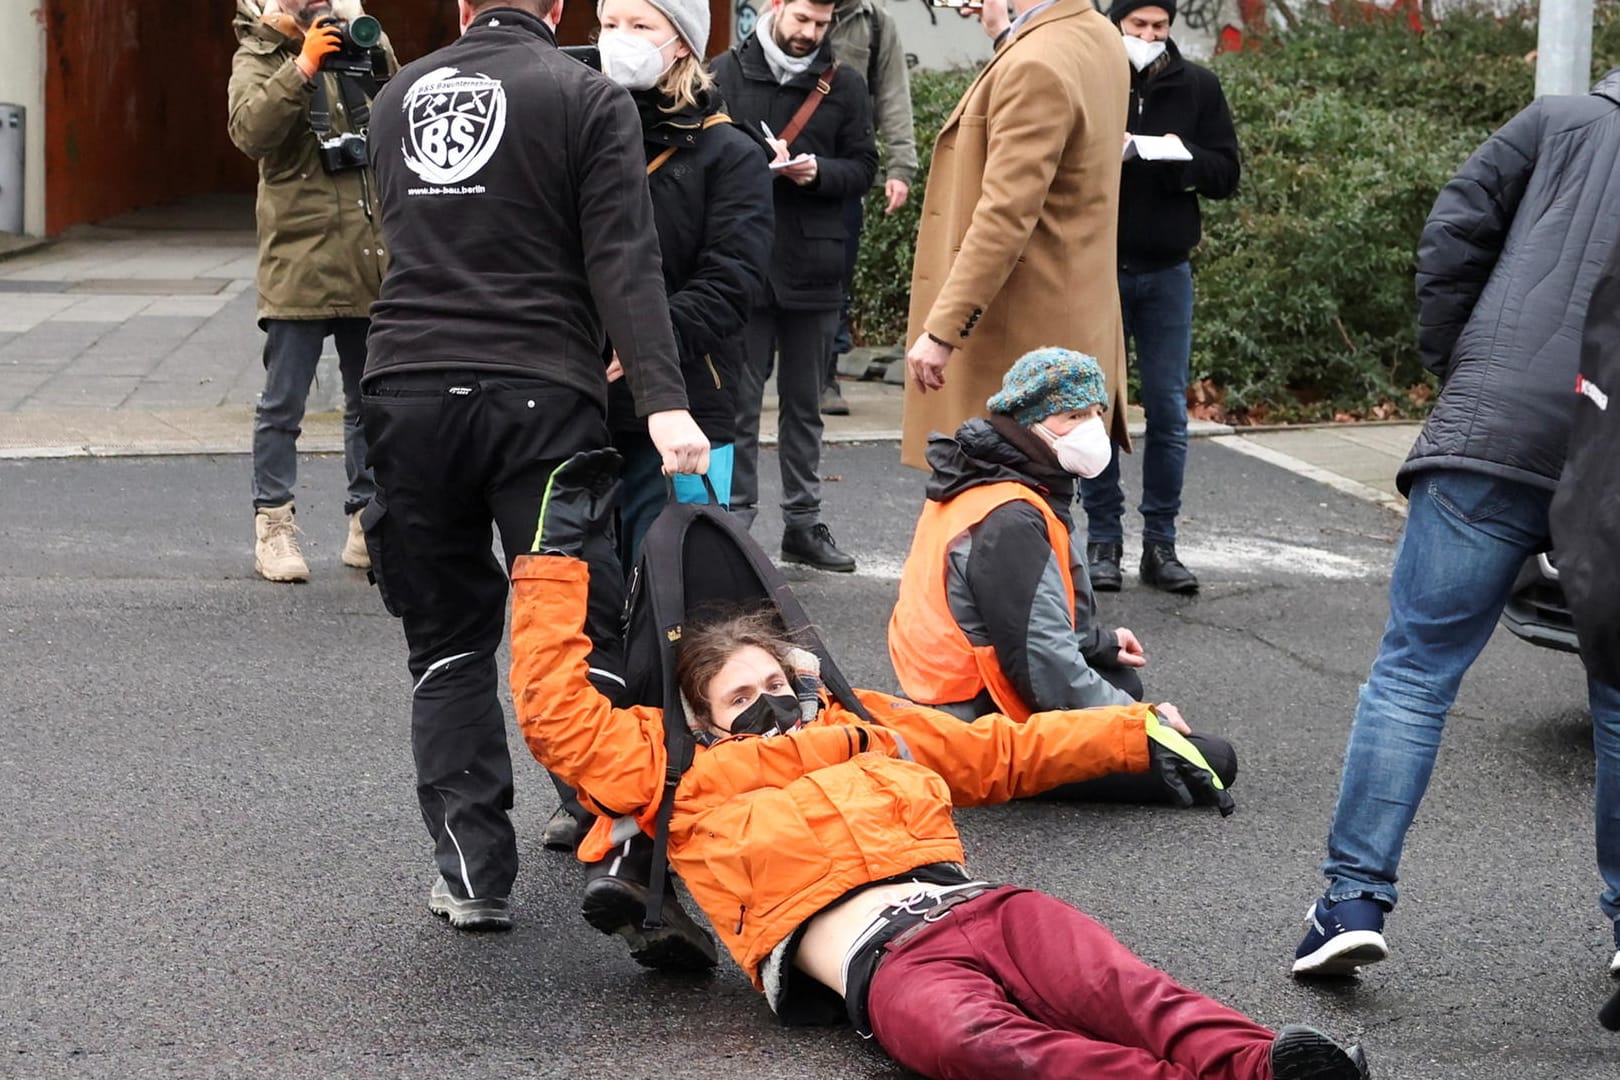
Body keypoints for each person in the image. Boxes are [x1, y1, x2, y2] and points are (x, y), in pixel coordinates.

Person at [501, 448, 1371, 1080]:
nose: (766, 699)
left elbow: (1002, 753)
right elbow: (555, 713)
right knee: (986, 1049)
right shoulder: (670, 767)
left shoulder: (864, 723)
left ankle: (1276, 1067)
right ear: (702, 716)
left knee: (1136, 996)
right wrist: (553, 563)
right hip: (888, 964)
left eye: (775, 679)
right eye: (739, 697)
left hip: (985, 910)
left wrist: (1136, 732)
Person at [360, 0, 709, 932]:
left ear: (465, 8)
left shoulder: (397, 94)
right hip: (539, 399)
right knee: (572, 630)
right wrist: (666, 401)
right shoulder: (587, 96)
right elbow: (622, 259)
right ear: (558, 11)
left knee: (446, 640)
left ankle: (473, 877)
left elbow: (397, 238)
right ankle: (625, 848)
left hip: (408, 394)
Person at [1291, 68, 1620, 982]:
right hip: (1615, 455)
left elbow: (1454, 233)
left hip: (1498, 427)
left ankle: (1349, 901)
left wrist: (1461, 366)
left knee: (1415, 671)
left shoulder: (1557, 122)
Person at [890, 347, 1236, 802]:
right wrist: (1143, 721)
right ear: (1028, 421)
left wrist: (1100, 643)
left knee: (1120, 680)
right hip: (971, 722)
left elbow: (1020, 627)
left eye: (1095, 412)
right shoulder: (1011, 516)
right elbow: (1044, 667)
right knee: (1211, 760)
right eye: (1072, 415)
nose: (1090, 427)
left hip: (952, 694)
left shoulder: (995, 478)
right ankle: (1021, 769)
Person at [899, 0, 1129, 474]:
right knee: (1043, 512)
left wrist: (944, 329)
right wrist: (1006, 35)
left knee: (1001, 513)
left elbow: (1005, 214)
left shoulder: (1037, 62)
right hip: (1070, 321)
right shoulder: (1098, 35)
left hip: (1017, 336)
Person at [596, 0, 775, 568]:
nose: (619, 39)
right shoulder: (579, 131)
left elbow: (731, 282)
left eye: (641, 25)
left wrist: (644, 344)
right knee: (582, 583)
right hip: (579, 395)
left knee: (674, 583)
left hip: (688, 393)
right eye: (608, 24)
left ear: (683, 43)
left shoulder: (731, 154)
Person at [227, 0, 396, 583]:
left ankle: (364, 523)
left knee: (367, 402)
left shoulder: (354, 41)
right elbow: (251, 132)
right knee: (283, 404)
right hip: (298, 257)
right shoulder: (257, 55)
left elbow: (396, 111)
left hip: (364, 256)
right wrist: (299, 67)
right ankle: (273, 525)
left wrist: (364, 40)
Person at [711, 0, 879, 571]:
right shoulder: (725, 73)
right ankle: (735, 524)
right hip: (744, 264)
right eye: (802, 18)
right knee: (736, 405)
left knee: (804, 406)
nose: (810, 33)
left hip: (815, 267)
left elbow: (863, 167)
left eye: (821, 23)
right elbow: (699, 156)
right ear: (775, 7)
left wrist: (817, 172)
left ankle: (803, 525)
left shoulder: (845, 83)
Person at [1080, 0, 1239, 596]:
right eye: (1137, 27)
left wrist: (1175, 153)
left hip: (1167, 269)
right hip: (1097, 269)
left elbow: (1226, 172)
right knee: (1093, 407)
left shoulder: (1197, 85)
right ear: (1114, 26)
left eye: (1158, 28)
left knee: (1169, 410)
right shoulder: (1093, 76)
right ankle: (1102, 541)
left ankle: (1161, 543)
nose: (1148, 37)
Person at [819, 0, 916, 417]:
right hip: (778, 169)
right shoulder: (784, 11)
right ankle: (752, 376)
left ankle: (823, 377)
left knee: (832, 278)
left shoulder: (875, 24)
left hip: (843, 173)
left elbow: (893, 94)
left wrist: (901, 168)